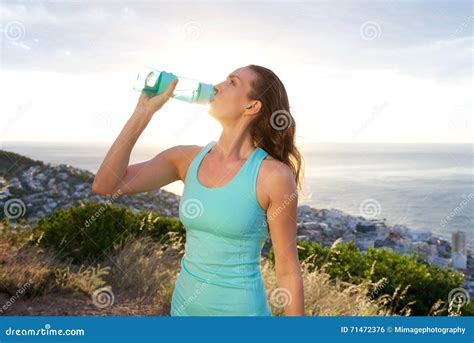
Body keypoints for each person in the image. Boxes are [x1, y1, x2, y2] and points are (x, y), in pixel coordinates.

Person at [92, 64, 305, 316]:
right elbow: (106, 184)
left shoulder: (273, 176)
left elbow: (287, 268)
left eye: (232, 82)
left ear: (252, 106)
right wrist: (143, 111)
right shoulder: (184, 158)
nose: (217, 86)